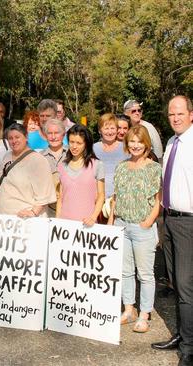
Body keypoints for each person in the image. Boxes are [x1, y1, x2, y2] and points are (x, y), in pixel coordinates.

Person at [108, 125, 161, 334]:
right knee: (125, 271)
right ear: (127, 143)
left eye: (139, 141)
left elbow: (158, 201)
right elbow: (115, 198)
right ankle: (129, 309)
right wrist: (112, 222)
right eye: (132, 141)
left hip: (142, 227)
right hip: (121, 224)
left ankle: (144, 314)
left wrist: (148, 222)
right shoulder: (121, 167)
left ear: (146, 143)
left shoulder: (153, 168)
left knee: (146, 274)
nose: (135, 145)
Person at [152, 96, 193, 362]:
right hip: (169, 219)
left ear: (191, 114)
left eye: (179, 113)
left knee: (186, 285)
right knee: (175, 283)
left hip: (189, 222)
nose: (175, 118)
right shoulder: (171, 142)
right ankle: (182, 334)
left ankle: (189, 349)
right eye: (170, 114)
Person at [0, 123, 56, 217]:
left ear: (26, 137)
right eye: (10, 138)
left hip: (26, 220)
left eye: (17, 137)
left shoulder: (38, 160)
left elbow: (44, 194)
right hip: (4, 218)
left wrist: (33, 212)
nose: (14, 141)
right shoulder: (6, 156)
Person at [55, 124, 104, 225]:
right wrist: (57, 220)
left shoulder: (97, 165)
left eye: (79, 143)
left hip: (87, 224)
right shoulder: (62, 166)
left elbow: (101, 195)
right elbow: (61, 197)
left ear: (86, 144)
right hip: (64, 223)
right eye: (71, 142)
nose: (74, 146)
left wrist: (93, 217)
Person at [93, 114, 129, 204]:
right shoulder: (93, 149)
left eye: (112, 128)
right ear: (99, 131)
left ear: (116, 130)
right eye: (106, 128)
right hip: (97, 199)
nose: (110, 132)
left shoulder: (126, 149)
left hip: (120, 199)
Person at [40, 118, 68, 217]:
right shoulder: (39, 157)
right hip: (47, 209)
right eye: (50, 133)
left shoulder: (72, 154)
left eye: (56, 133)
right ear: (45, 136)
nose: (53, 137)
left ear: (63, 134)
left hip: (70, 207)